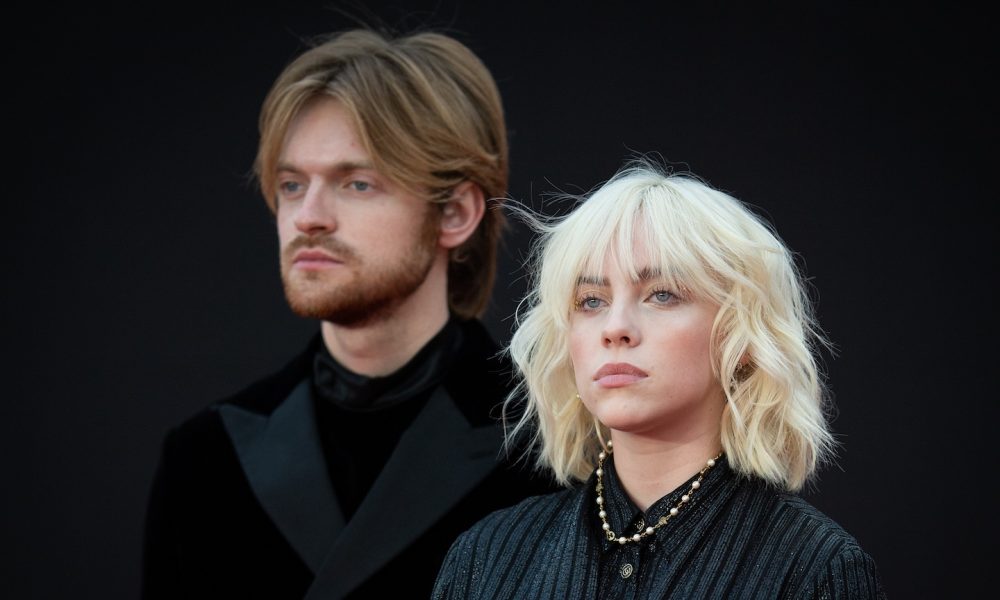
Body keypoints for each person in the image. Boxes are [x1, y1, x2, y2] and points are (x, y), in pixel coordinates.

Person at [141, 29, 556, 599]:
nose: (308, 216)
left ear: (455, 213)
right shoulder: (205, 459)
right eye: (291, 184)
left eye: (356, 183)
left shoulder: (553, 443)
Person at [432, 162, 886, 599]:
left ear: (741, 333)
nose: (616, 327)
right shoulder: (486, 558)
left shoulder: (814, 571)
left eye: (662, 294)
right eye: (591, 300)